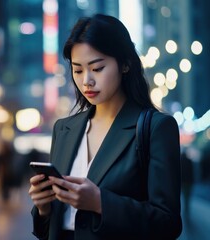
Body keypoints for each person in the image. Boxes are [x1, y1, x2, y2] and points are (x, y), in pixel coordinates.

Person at [28, 14, 182, 240]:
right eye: (78, 70)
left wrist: (100, 202)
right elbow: (49, 230)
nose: (86, 81)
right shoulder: (64, 129)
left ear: (126, 64)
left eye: (97, 68)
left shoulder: (157, 128)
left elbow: (168, 224)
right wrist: (43, 208)